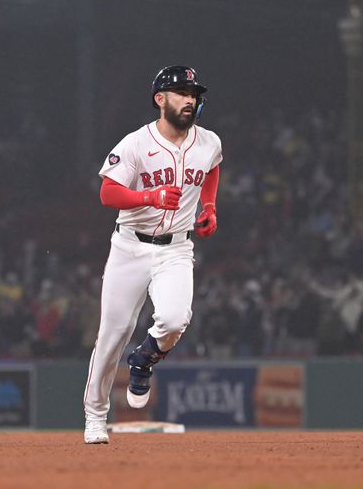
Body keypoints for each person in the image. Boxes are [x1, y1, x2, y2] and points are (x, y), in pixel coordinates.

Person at [82, 66, 222, 444]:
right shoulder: (135, 143)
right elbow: (108, 193)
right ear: (161, 100)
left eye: (193, 93)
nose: (189, 99)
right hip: (130, 246)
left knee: (175, 320)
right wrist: (150, 196)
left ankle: (143, 360)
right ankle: (95, 416)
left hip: (177, 247)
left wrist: (208, 207)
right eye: (180, 92)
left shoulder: (209, 141)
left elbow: (212, 169)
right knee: (113, 334)